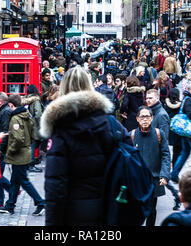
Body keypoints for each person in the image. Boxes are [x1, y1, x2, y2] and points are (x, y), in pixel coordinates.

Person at [40, 65, 132, 226]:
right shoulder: (111, 124)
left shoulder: (61, 130)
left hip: (75, 214)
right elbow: (131, 161)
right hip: (110, 209)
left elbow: (55, 186)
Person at [0, 94, 45, 216]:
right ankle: (10, 205)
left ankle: (41, 203)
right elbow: (33, 134)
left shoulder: (15, 118)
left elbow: (18, 139)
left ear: (11, 105)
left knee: (23, 181)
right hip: (25, 152)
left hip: (19, 155)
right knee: (15, 181)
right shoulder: (27, 114)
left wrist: (10, 151)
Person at [130, 105, 171, 226]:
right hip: (136, 181)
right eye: (142, 117)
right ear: (137, 119)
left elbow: (166, 155)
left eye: (147, 116)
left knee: (151, 211)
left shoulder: (159, 134)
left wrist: (164, 175)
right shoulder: (131, 135)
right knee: (135, 211)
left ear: (152, 118)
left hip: (153, 180)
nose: (145, 119)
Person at [145, 89, 180, 210]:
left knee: (161, 178)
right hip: (151, 152)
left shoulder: (161, 114)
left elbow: (164, 138)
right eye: (147, 98)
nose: (147, 100)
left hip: (157, 154)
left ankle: (177, 196)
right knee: (159, 179)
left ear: (157, 98)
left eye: (150, 98)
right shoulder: (151, 112)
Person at [22, 84, 44, 173]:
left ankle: (28, 163)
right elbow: (38, 114)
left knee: (29, 144)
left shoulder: (24, 99)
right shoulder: (36, 100)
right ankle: (30, 165)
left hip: (25, 124)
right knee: (33, 144)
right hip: (34, 126)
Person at [164, 87, 182, 168]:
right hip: (177, 129)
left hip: (168, 128)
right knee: (177, 149)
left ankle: (166, 163)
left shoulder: (166, 105)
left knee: (165, 148)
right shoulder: (180, 105)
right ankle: (174, 164)